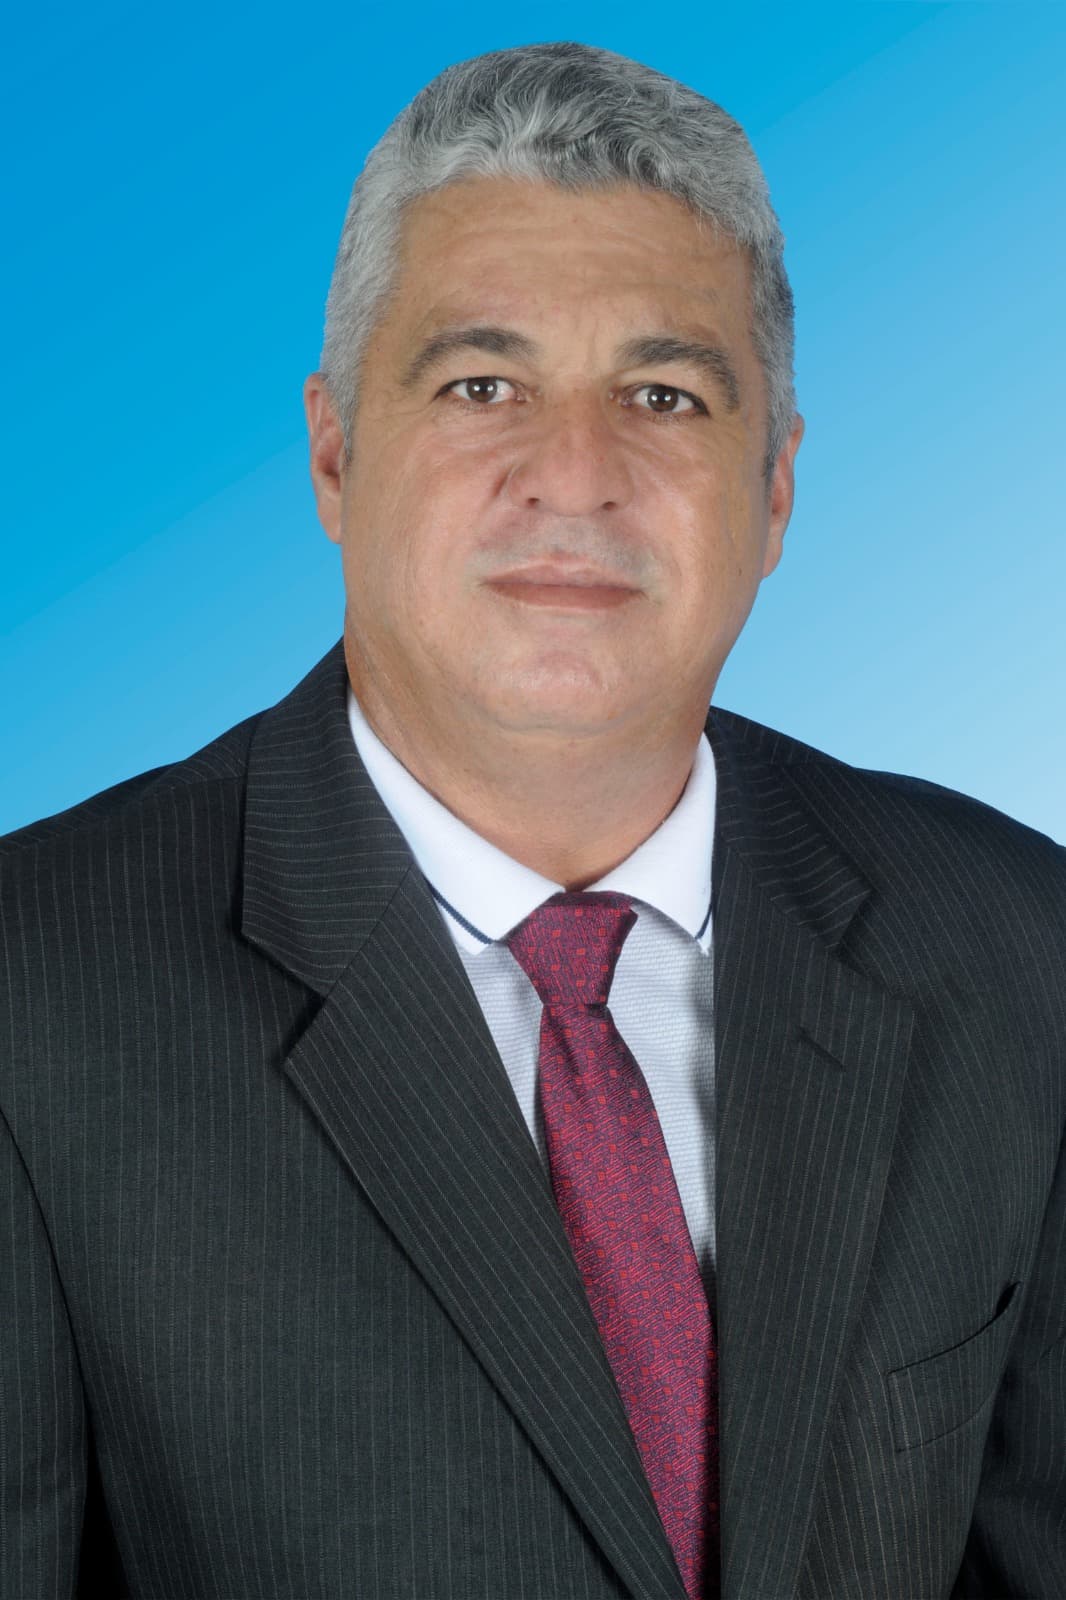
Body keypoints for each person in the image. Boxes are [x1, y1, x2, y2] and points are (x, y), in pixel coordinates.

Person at [1, 39, 1063, 1600]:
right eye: (481, 385)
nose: (574, 476)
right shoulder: (32, 992)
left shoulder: (1017, 943)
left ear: (773, 489)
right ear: (334, 454)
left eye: (662, 393)